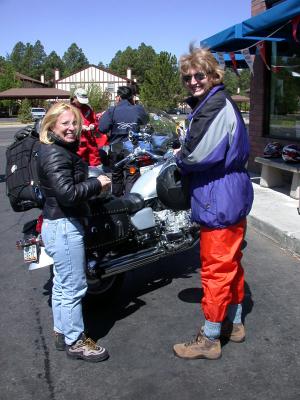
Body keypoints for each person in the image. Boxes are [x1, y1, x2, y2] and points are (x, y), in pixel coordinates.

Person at [173, 45, 254, 360]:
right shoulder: (209, 103)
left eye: (199, 75)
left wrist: (180, 157)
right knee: (229, 265)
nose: (193, 81)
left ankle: (209, 339)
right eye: (188, 77)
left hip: (218, 195)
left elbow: (197, 154)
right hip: (226, 192)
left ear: (213, 75)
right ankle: (233, 325)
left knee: (216, 268)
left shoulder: (215, 105)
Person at [38, 102, 111, 362]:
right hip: (64, 225)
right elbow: (67, 194)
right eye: (65, 123)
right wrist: (96, 183)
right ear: (52, 125)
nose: (71, 128)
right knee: (74, 287)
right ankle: (76, 341)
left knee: (61, 284)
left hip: (56, 224)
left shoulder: (54, 149)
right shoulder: (56, 153)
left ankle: (62, 332)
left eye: (74, 123)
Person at [99, 86, 149, 196]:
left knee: (116, 176)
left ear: (119, 97)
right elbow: (146, 120)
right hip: (132, 149)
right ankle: (130, 204)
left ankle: (117, 203)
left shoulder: (112, 110)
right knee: (132, 175)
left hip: (116, 149)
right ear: (131, 97)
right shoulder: (138, 109)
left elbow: (102, 128)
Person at [71, 88, 101, 166]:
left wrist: (93, 125)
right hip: (77, 140)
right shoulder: (69, 109)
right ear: (75, 98)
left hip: (90, 139)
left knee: (94, 159)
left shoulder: (88, 108)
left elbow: (94, 121)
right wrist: (79, 127)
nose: (81, 103)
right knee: (78, 161)